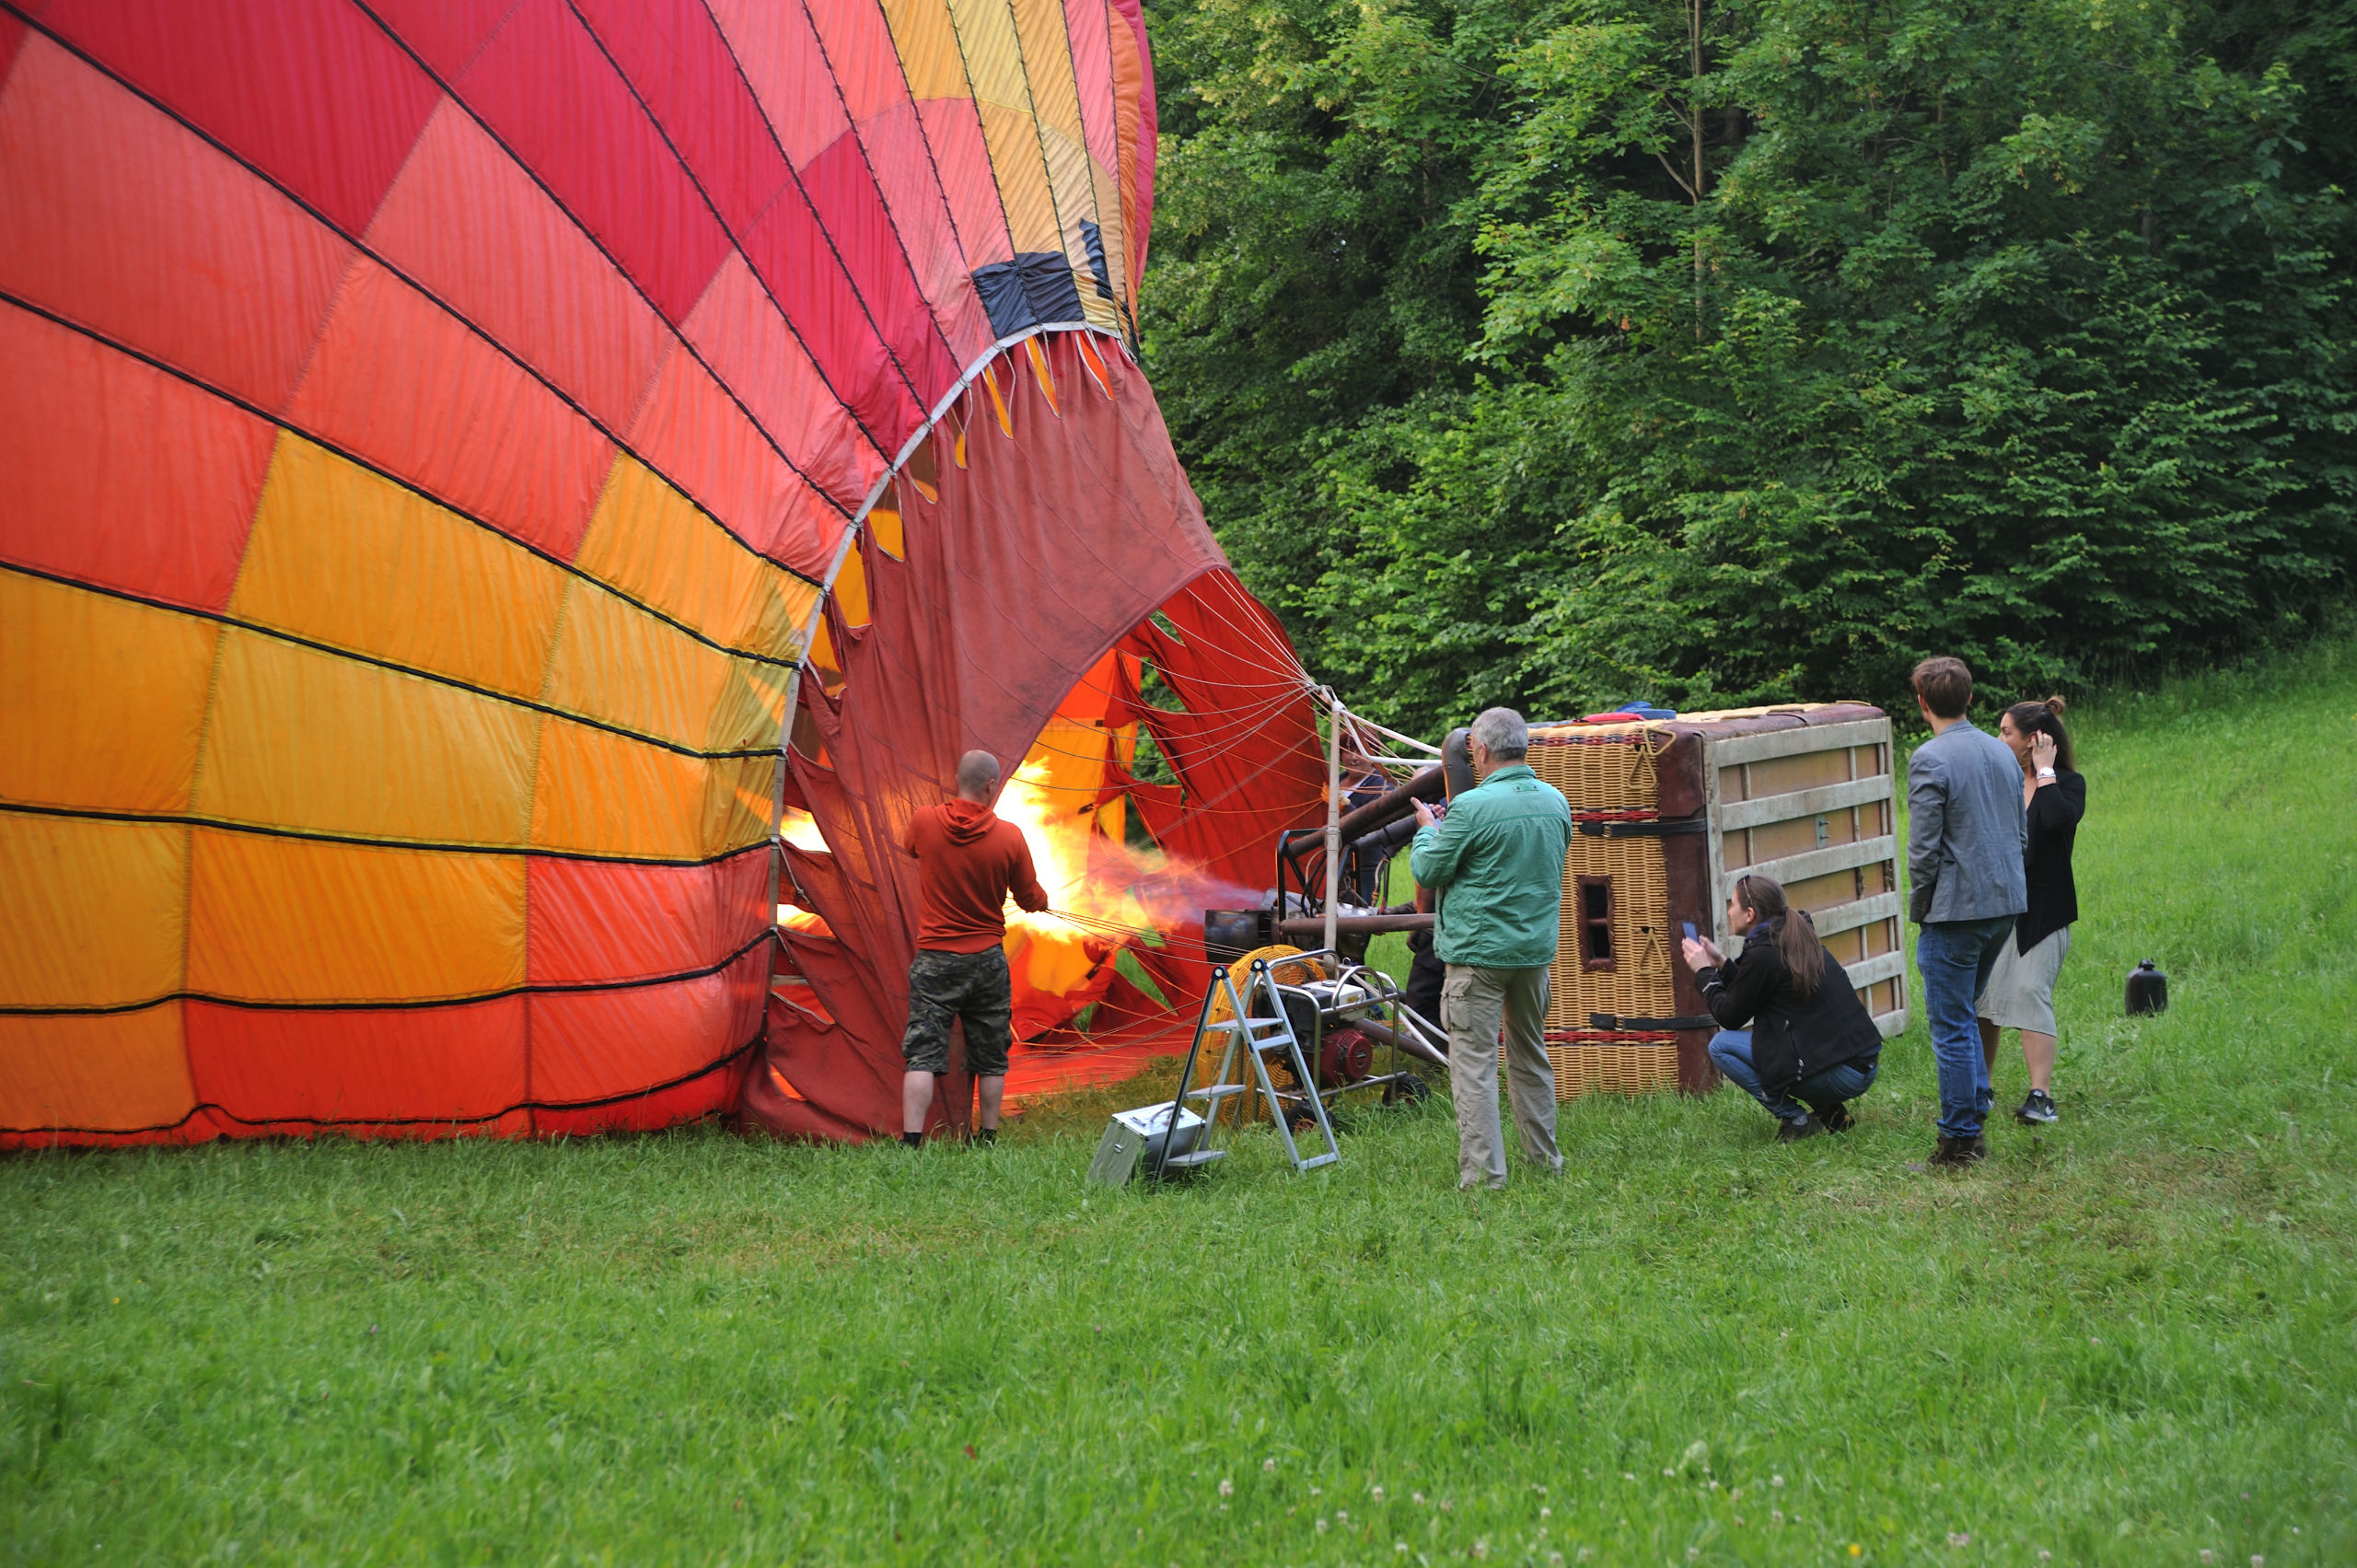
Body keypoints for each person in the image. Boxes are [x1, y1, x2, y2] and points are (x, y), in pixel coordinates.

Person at [1409, 708, 1573, 1190]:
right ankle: (1545, 1161)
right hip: (1533, 953)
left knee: (1474, 1067)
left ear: (1480, 751)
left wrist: (1427, 829)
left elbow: (1428, 871)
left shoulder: (1471, 808)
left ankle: (1484, 1179)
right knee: (1531, 1057)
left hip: (1477, 957)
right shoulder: (1556, 801)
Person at [1906, 656, 2028, 1167]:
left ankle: (1959, 1142)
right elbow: (2020, 834)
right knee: (1965, 1012)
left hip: (1955, 913)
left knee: (1952, 1023)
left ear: (1922, 703)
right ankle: (1973, 1112)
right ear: (1970, 698)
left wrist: (1921, 905)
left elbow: (1922, 850)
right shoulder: (2002, 752)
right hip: (2004, 906)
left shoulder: (1930, 758)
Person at [897, 749, 1050, 1147]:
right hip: (986, 961)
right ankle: (987, 1137)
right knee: (991, 1053)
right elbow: (1029, 897)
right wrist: (1042, 901)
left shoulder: (924, 821)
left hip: (935, 959)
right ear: (991, 785)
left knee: (922, 1052)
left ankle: (911, 1142)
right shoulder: (1010, 836)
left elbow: (911, 848)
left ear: (957, 779)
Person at [1683, 875, 1885, 1143]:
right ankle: (1830, 1111)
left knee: (1722, 1046)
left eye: (1732, 904)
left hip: (1842, 1075)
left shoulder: (1764, 954)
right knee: (1783, 1044)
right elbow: (1756, 988)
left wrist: (1704, 973)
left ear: (1750, 914)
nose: (1729, 912)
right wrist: (1722, 964)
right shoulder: (1792, 937)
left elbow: (1729, 1016)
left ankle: (1796, 1119)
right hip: (1862, 1065)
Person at [1978, 696, 2085, 1125]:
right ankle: (1980, 1089)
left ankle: (2041, 1097)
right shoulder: (2001, 781)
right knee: (1983, 998)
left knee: (2028, 992)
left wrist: (2044, 772)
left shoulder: (2068, 784)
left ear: (2034, 740)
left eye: (2006, 732)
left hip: (2043, 912)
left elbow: (2058, 821)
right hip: (1998, 907)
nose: (1998, 738)